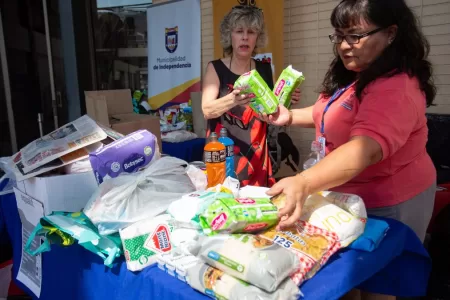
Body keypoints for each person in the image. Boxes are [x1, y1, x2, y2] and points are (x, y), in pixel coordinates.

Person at [264, 0, 436, 247]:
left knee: (382, 278)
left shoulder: (397, 86)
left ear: (391, 33)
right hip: (349, 194)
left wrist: (304, 182)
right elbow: (330, 113)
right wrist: (289, 117)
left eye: (355, 36)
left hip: (390, 202)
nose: (344, 46)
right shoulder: (355, 72)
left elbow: (365, 148)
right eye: (340, 36)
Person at [201, 5, 300, 187]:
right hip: (223, 155)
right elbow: (207, 110)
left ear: (258, 37)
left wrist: (287, 99)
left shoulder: (264, 69)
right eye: (239, 31)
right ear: (230, 36)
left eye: (251, 32)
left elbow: (272, 112)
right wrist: (233, 99)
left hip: (257, 157)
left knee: (255, 210)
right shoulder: (215, 68)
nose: (245, 37)